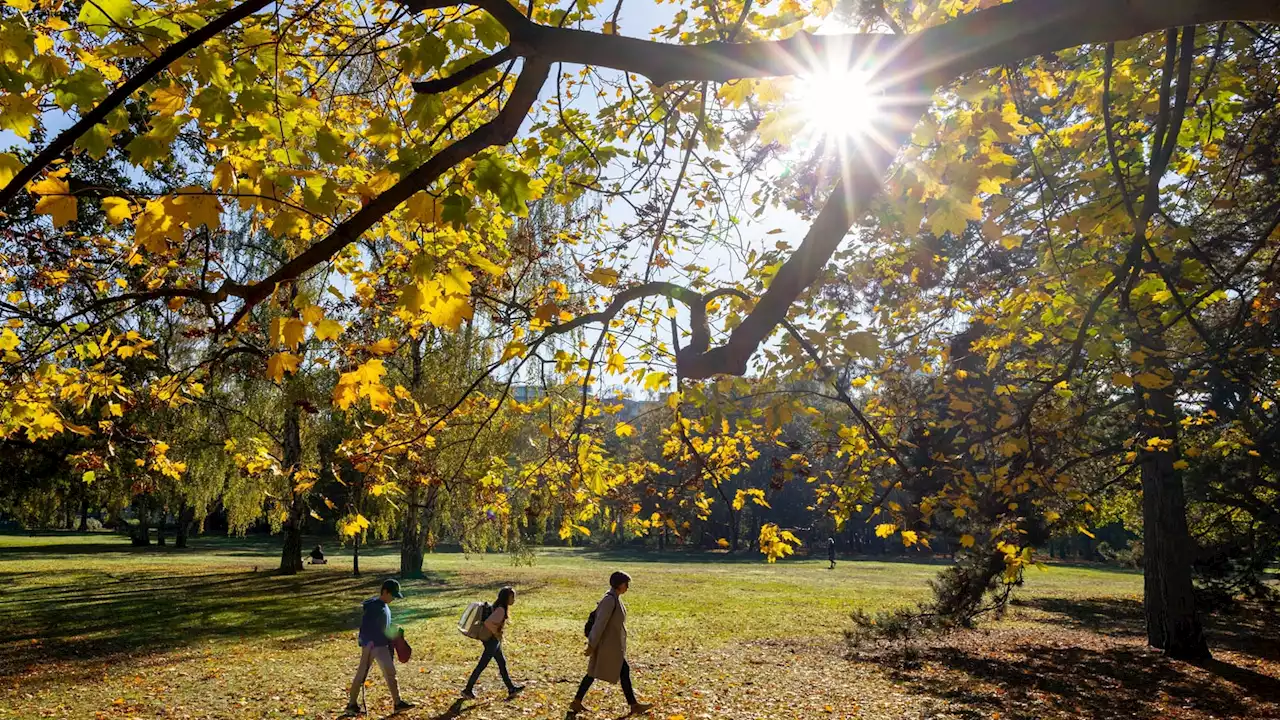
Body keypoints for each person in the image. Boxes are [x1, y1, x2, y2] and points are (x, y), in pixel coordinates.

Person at [570, 571, 652, 715]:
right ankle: (634, 705)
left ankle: (577, 701)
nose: (628, 587)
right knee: (600, 672)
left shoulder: (615, 598)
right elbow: (599, 624)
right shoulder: (609, 600)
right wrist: (591, 644)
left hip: (612, 645)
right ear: (620, 584)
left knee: (596, 672)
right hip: (607, 646)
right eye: (626, 584)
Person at [344, 579, 414, 717]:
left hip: (381, 645)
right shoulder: (374, 607)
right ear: (385, 592)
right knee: (362, 674)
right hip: (371, 646)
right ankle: (351, 704)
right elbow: (366, 627)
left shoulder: (384, 606)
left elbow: (382, 625)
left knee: (390, 673)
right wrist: (366, 642)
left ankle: (398, 703)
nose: (393, 598)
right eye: (392, 595)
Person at [461, 586, 525, 700]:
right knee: (482, 665)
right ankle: (467, 690)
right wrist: (497, 634)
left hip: (492, 640)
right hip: (491, 640)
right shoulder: (501, 609)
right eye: (512, 597)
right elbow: (488, 623)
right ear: (506, 598)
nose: (514, 600)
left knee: (502, 662)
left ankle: (511, 688)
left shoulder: (499, 607)